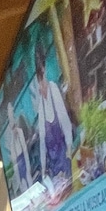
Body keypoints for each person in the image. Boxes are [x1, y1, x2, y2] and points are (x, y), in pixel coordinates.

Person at [35, 45, 74, 184]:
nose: (41, 86)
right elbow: (42, 143)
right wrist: (43, 168)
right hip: (53, 164)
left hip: (64, 155)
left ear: (44, 70)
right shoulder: (41, 106)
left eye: (41, 78)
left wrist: (69, 150)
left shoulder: (53, 89)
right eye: (39, 81)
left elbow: (66, 123)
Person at [6, 101, 32, 195]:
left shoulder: (20, 132)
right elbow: (13, 158)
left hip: (23, 160)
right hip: (18, 163)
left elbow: (24, 150)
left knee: (28, 179)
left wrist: (28, 166)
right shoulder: (11, 139)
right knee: (23, 184)